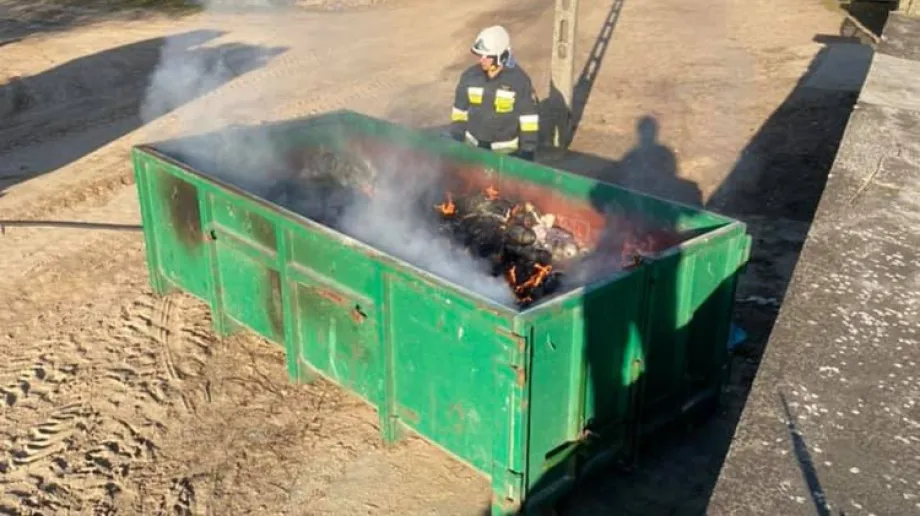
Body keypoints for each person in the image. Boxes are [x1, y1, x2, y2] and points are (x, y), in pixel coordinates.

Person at [449, 25, 540, 161]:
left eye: (487, 57)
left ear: (502, 56)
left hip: (505, 155)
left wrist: (527, 151)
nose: (481, 60)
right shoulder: (470, 77)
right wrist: (457, 137)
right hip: (473, 149)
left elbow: (529, 121)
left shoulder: (519, 81)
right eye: (480, 56)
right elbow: (459, 111)